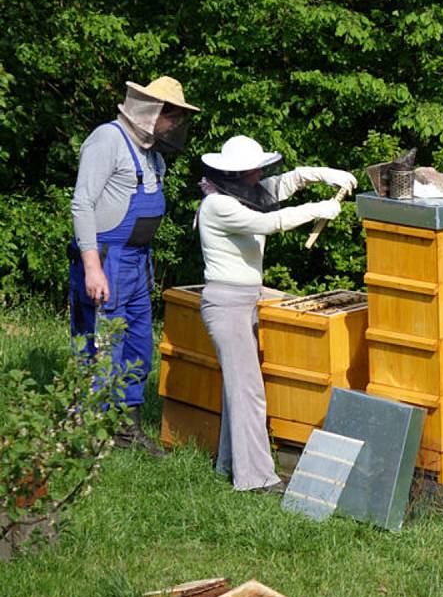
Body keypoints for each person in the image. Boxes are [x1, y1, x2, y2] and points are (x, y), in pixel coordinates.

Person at [196, 135, 356, 493]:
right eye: (252, 171)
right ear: (234, 174)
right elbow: (270, 223)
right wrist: (316, 210)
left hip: (242, 301)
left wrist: (321, 174)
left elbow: (285, 184)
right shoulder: (218, 206)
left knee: (237, 389)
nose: (258, 176)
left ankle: (229, 464)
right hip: (227, 305)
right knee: (248, 392)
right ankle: (256, 479)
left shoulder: (241, 193)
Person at [69, 76, 200, 455]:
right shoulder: (107, 140)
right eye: (173, 117)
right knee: (101, 345)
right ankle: (89, 434)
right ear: (154, 112)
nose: (176, 126)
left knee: (138, 344)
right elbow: (82, 204)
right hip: (106, 258)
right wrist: (92, 267)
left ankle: (127, 430)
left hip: (137, 262)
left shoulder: (150, 153)